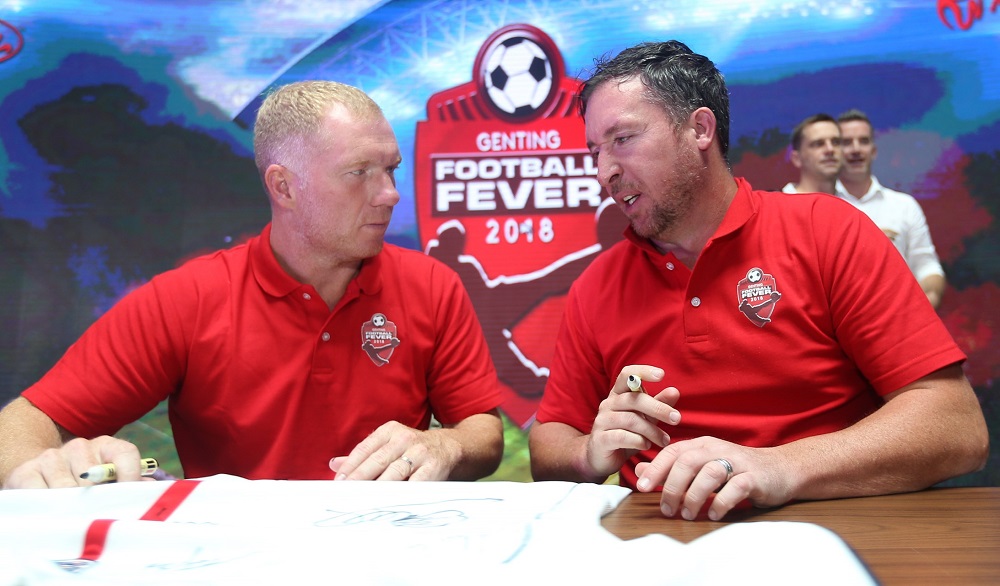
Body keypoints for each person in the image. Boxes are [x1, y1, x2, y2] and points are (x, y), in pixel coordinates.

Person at [528, 41, 988, 522]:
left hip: (829, 532)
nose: (604, 171)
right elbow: (550, 442)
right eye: (595, 151)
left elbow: (956, 426)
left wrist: (780, 467)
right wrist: (589, 452)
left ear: (699, 129)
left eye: (622, 139)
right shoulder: (597, 285)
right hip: (660, 540)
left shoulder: (827, 231)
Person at [0, 81, 504, 489]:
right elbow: (19, 427)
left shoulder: (431, 284)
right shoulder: (188, 298)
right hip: (232, 559)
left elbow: (482, 430)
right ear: (283, 186)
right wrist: (44, 469)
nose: (390, 194)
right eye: (359, 173)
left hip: (390, 549)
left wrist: (444, 444)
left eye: (390, 169)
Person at [836, 109, 947, 309]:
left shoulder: (903, 206)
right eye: (847, 142)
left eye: (863, 141)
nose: (856, 149)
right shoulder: (821, 205)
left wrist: (924, 304)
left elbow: (926, 266)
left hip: (898, 317)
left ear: (874, 150)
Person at [781, 113, 843, 194]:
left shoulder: (850, 201)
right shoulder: (778, 201)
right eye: (818, 144)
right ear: (797, 159)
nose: (830, 149)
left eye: (836, 142)